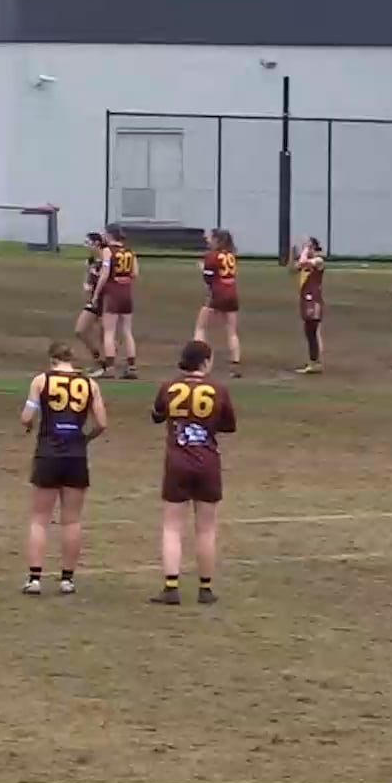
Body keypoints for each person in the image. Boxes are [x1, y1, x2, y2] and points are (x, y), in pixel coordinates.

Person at [150, 339, 236, 606]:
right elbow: (228, 425)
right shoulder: (218, 389)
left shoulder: (169, 387)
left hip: (177, 461)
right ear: (206, 362)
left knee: (172, 527)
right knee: (206, 529)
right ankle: (205, 587)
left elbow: (156, 416)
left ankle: (171, 585)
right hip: (208, 462)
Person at [19, 341, 108, 595]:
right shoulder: (90, 384)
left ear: (52, 360)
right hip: (76, 455)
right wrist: (85, 438)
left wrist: (29, 427)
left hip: (48, 452)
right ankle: (67, 579)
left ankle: (35, 578)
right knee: (71, 521)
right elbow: (102, 422)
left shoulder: (41, 381)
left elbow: (27, 416)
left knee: (39, 519)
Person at [90, 226, 139, 378]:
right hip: (127, 293)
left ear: (110, 235)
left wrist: (96, 294)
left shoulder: (108, 251)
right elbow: (135, 273)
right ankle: (132, 367)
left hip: (113, 293)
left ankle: (110, 368)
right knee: (127, 331)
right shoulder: (130, 252)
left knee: (109, 332)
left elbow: (105, 274)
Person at [193, 229, 242, 376]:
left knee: (201, 327)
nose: (208, 240)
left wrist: (203, 269)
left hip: (217, 294)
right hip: (232, 293)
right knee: (232, 331)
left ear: (217, 240)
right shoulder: (231, 256)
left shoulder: (211, 256)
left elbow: (208, 279)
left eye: (210, 238)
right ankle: (235, 365)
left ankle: (197, 361)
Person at [293, 237, 326, 374]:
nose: (304, 249)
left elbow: (303, 262)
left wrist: (304, 252)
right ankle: (315, 361)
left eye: (307, 246)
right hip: (306, 300)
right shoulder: (308, 262)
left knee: (312, 331)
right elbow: (293, 269)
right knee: (310, 332)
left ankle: (315, 363)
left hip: (314, 301)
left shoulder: (318, 260)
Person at [72, 232, 107, 363]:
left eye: (88, 243)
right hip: (94, 300)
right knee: (80, 330)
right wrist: (86, 285)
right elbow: (87, 279)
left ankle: (109, 364)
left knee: (105, 334)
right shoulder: (90, 261)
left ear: (97, 243)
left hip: (107, 301)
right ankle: (97, 357)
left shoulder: (107, 260)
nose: (86, 246)